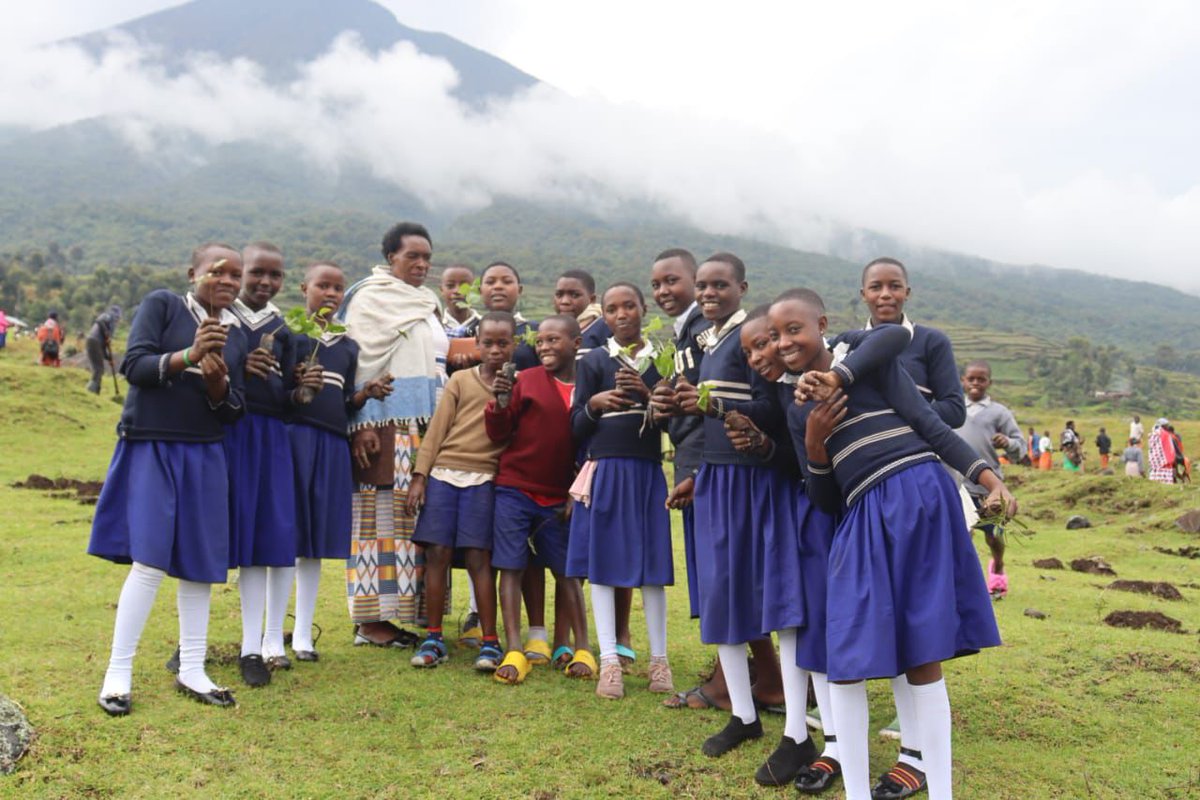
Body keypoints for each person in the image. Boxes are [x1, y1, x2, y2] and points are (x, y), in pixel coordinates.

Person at [788, 289, 1013, 800]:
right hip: (861, 516)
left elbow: (929, 419)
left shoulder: (862, 357)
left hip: (919, 497)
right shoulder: (794, 406)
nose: (784, 343)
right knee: (846, 653)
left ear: (822, 325)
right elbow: (825, 499)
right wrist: (815, 445)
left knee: (923, 652)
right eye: (773, 337)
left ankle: (942, 792)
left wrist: (987, 476)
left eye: (793, 329)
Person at [88, 244, 248, 715]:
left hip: (205, 452)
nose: (228, 281)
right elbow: (135, 366)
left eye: (235, 275)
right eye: (218, 271)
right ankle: (118, 673)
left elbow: (234, 408)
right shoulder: (163, 304)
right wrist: (189, 355)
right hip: (152, 444)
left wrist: (217, 384)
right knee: (151, 559)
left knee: (199, 561)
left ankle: (193, 668)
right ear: (193, 272)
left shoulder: (236, 332)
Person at [835, 257, 965, 791]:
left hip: (916, 475)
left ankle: (917, 753)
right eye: (875, 287)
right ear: (862, 293)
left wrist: (907, 401)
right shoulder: (844, 344)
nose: (885, 293)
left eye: (894, 286)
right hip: (862, 488)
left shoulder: (929, 343)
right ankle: (908, 745)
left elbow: (954, 411)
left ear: (908, 290)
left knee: (921, 618)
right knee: (883, 617)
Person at [666, 256, 791, 762]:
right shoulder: (709, 341)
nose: (709, 293)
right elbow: (709, 422)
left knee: (758, 592)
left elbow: (771, 408)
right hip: (717, 478)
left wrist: (713, 406)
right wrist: (698, 474)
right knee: (722, 594)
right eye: (703, 286)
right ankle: (742, 714)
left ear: (742, 287)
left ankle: (791, 706)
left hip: (752, 479)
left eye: (720, 285)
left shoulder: (751, 337)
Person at [341, 222, 447, 648]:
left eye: (427, 258)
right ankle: (371, 622)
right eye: (412, 257)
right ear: (391, 258)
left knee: (415, 524)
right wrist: (362, 423)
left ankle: (407, 614)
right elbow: (359, 363)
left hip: (425, 426)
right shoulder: (370, 299)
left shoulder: (425, 301)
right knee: (379, 521)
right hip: (382, 426)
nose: (421, 265)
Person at [568, 282, 674, 700]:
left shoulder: (663, 360)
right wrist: (595, 405)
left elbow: (674, 426)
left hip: (647, 472)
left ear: (644, 309)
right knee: (604, 564)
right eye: (612, 309)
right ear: (604, 317)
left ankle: (659, 660)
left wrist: (649, 396)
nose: (622, 314)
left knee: (653, 567)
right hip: (606, 472)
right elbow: (575, 425)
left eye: (629, 305)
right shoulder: (594, 361)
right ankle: (609, 660)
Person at [289, 262, 392, 664]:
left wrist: (365, 394)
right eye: (323, 286)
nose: (330, 294)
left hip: (331, 444)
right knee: (286, 535)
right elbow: (283, 393)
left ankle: (302, 635)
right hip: (294, 440)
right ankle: (265, 635)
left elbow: (344, 402)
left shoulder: (347, 347)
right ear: (304, 288)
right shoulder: (291, 336)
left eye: (337, 288)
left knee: (314, 542)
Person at [486, 314, 593, 684]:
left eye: (554, 340)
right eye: (541, 341)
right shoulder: (526, 380)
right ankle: (515, 648)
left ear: (576, 343)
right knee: (511, 566)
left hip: (560, 496)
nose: (545, 347)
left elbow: (590, 444)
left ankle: (583, 648)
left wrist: (574, 493)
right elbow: (498, 430)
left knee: (568, 572)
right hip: (515, 489)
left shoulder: (588, 386)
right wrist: (499, 401)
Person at [406, 312, 516, 671]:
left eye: (503, 343)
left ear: (513, 345)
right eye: (488, 343)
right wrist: (421, 476)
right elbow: (437, 429)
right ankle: (435, 637)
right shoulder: (459, 380)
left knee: (478, 559)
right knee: (437, 554)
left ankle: (489, 641)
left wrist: (504, 400)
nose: (495, 350)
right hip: (443, 474)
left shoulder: (517, 386)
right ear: (477, 343)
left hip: (483, 478)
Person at [220, 243, 297, 686]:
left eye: (275, 275)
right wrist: (237, 372)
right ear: (238, 273)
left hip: (268, 438)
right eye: (256, 273)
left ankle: (252, 648)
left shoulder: (284, 329)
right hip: (226, 434)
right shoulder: (218, 318)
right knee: (215, 537)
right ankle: (189, 641)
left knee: (258, 543)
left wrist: (299, 392)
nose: (265, 282)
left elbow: (284, 400)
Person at [956, 360, 1026, 600]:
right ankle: (963, 583)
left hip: (989, 488)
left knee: (993, 535)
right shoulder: (953, 408)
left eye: (981, 379)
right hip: (959, 485)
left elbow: (1021, 446)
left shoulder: (1000, 412)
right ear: (963, 380)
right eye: (971, 379)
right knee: (962, 534)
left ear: (989, 382)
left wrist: (1009, 443)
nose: (975, 383)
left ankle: (997, 565)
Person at [480, 261, 539, 372]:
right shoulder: (469, 331)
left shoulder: (536, 330)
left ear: (519, 290)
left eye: (507, 282)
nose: (498, 286)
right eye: (490, 282)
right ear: (480, 291)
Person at [553, 269, 610, 358]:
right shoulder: (550, 330)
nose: (564, 301)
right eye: (559, 295)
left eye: (574, 295)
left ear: (592, 299)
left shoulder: (605, 326)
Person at [85, 306, 122, 394]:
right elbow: (99, 321)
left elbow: (103, 348)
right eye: (118, 318)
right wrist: (106, 333)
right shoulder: (108, 316)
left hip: (92, 341)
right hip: (95, 341)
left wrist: (109, 358)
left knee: (98, 369)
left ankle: (96, 391)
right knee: (99, 369)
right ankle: (91, 390)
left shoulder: (110, 325)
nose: (118, 321)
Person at [440, 264, 481, 338]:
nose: (457, 291)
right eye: (450, 286)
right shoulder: (435, 325)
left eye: (464, 286)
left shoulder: (484, 325)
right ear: (442, 290)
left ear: (475, 290)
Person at [1148, 418, 1177, 484]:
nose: (1168, 426)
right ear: (1163, 426)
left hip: (1154, 463)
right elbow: (1169, 448)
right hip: (1165, 465)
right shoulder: (1166, 435)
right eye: (1167, 425)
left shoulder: (1152, 434)